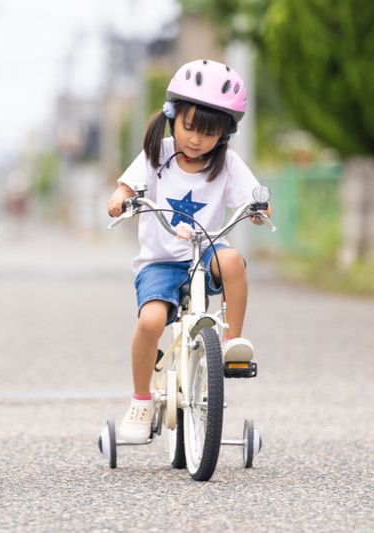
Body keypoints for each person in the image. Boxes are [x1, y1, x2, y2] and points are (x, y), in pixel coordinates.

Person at [106, 59, 272, 444]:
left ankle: (232, 343)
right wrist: (120, 198)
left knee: (232, 260)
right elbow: (127, 187)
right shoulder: (157, 153)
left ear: (225, 134)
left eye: (209, 133)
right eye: (189, 127)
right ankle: (141, 399)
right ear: (172, 116)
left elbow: (254, 197)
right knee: (150, 323)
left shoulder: (226, 163)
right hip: (161, 261)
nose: (196, 140)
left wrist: (260, 210)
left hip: (207, 252)